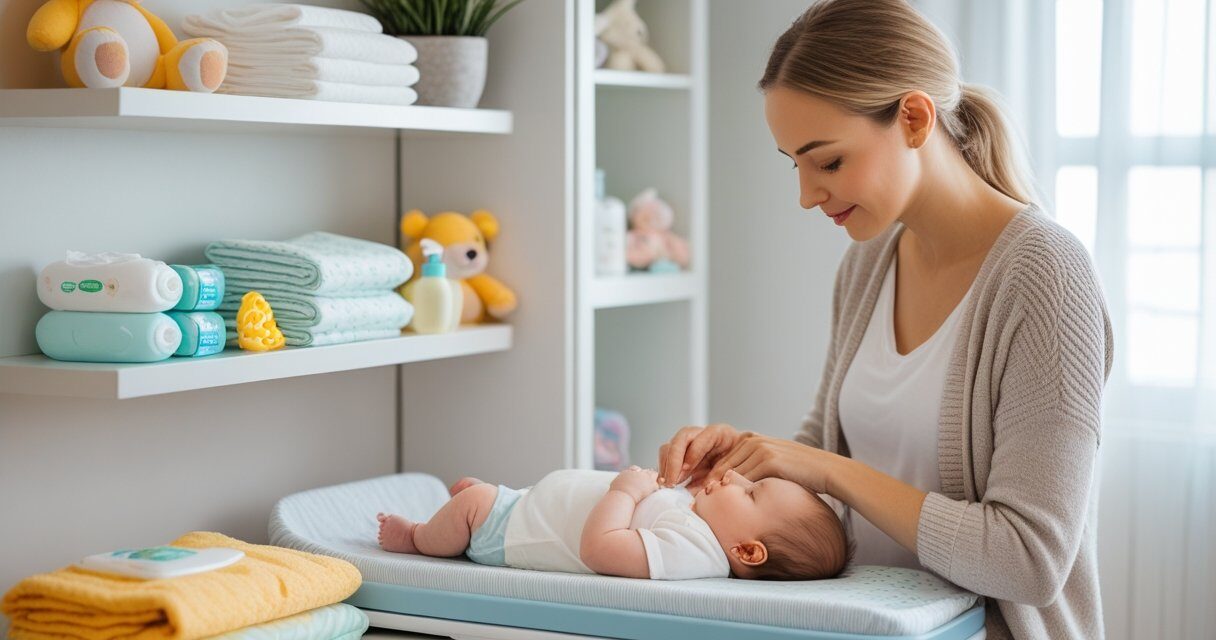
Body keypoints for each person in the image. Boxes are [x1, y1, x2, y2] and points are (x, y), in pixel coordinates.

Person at [656, 0, 1113, 638]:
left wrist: (829, 471)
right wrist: (749, 462)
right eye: (796, 163)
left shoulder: (1045, 277)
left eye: (829, 161)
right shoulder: (868, 264)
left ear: (915, 118)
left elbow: (1030, 560)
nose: (806, 195)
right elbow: (828, 443)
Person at [376, 466, 850, 581]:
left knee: (472, 503)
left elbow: (601, 549)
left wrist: (625, 491)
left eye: (749, 492)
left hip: (514, 532)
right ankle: (483, 504)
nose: (735, 476)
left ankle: (418, 537)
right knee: (480, 496)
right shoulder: (699, 523)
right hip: (530, 507)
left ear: (747, 551)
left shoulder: (696, 552)